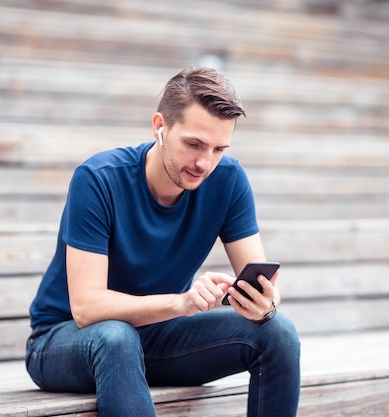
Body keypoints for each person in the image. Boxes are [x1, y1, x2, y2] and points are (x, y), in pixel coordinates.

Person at [25, 66, 301, 417]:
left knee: (278, 332)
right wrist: (182, 303)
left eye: (218, 149)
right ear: (160, 127)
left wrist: (264, 304)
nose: (205, 163)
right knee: (116, 337)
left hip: (155, 339)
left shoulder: (228, 180)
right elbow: (86, 308)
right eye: (194, 144)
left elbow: (266, 285)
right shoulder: (97, 179)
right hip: (65, 341)